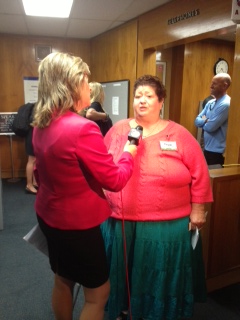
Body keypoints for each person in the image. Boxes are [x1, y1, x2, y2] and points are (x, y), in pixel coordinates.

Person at [31, 52, 138, 320]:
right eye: (85, 81)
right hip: (77, 226)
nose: (89, 87)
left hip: (48, 215)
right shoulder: (82, 128)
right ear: (69, 84)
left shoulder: (41, 124)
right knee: (98, 294)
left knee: (63, 279)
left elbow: (43, 173)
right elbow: (114, 179)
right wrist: (129, 151)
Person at [101, 75, 213, 320]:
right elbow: (101, 166)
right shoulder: (118, 130)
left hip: (167, 224)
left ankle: (158, 312)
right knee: (122, 270)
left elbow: (200, 175)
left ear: (161, 101)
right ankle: (121, 307)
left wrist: (198, 210)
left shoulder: (180, 135)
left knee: (158, 272)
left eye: (149, 96)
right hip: (120, 219)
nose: (142, 101)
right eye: (138, 96)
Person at [195, 73, 231, 166]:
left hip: (217, 152)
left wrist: (205, 120)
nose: (211, 86)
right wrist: (206, 119)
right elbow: (197, 120)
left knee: (213, 178)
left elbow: (210, 127)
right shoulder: (210, 102)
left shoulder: (226, 104)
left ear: (224, 85)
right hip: (207, 148)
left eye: (214, 84)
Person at [25, 104, 38, 194]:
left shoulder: (37, 106)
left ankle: (34, 182)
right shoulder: (37, 107)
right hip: (32, 137)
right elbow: (33, 121)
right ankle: (29, 185)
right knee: (31, 160)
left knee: (35, 160)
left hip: (33, 136)